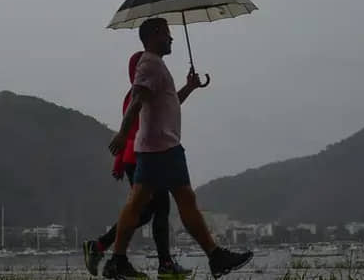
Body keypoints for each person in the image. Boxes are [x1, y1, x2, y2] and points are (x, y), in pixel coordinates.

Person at [101, 17, 253, 279]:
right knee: (171, 202)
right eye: (168, 34)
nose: (172, 39)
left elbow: (168, 103)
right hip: (162, 148)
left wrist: (190, 87)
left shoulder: (156, 65)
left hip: (160, 146)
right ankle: (214, 256)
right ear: (155, 34)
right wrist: (122, 133)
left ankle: (118, 260)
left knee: (149, 203)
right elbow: (137, 100)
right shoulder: (149, 63)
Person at [82, 51, 190, 278]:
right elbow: (130, 129)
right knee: (159, 208)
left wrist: (190, 87)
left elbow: (169, 105)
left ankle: (100, 247)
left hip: (137, 158)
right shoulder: (138, 95)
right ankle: (164, 265)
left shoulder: (143, 93)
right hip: (144, 157)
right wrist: (120, 161)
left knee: (145, 211)